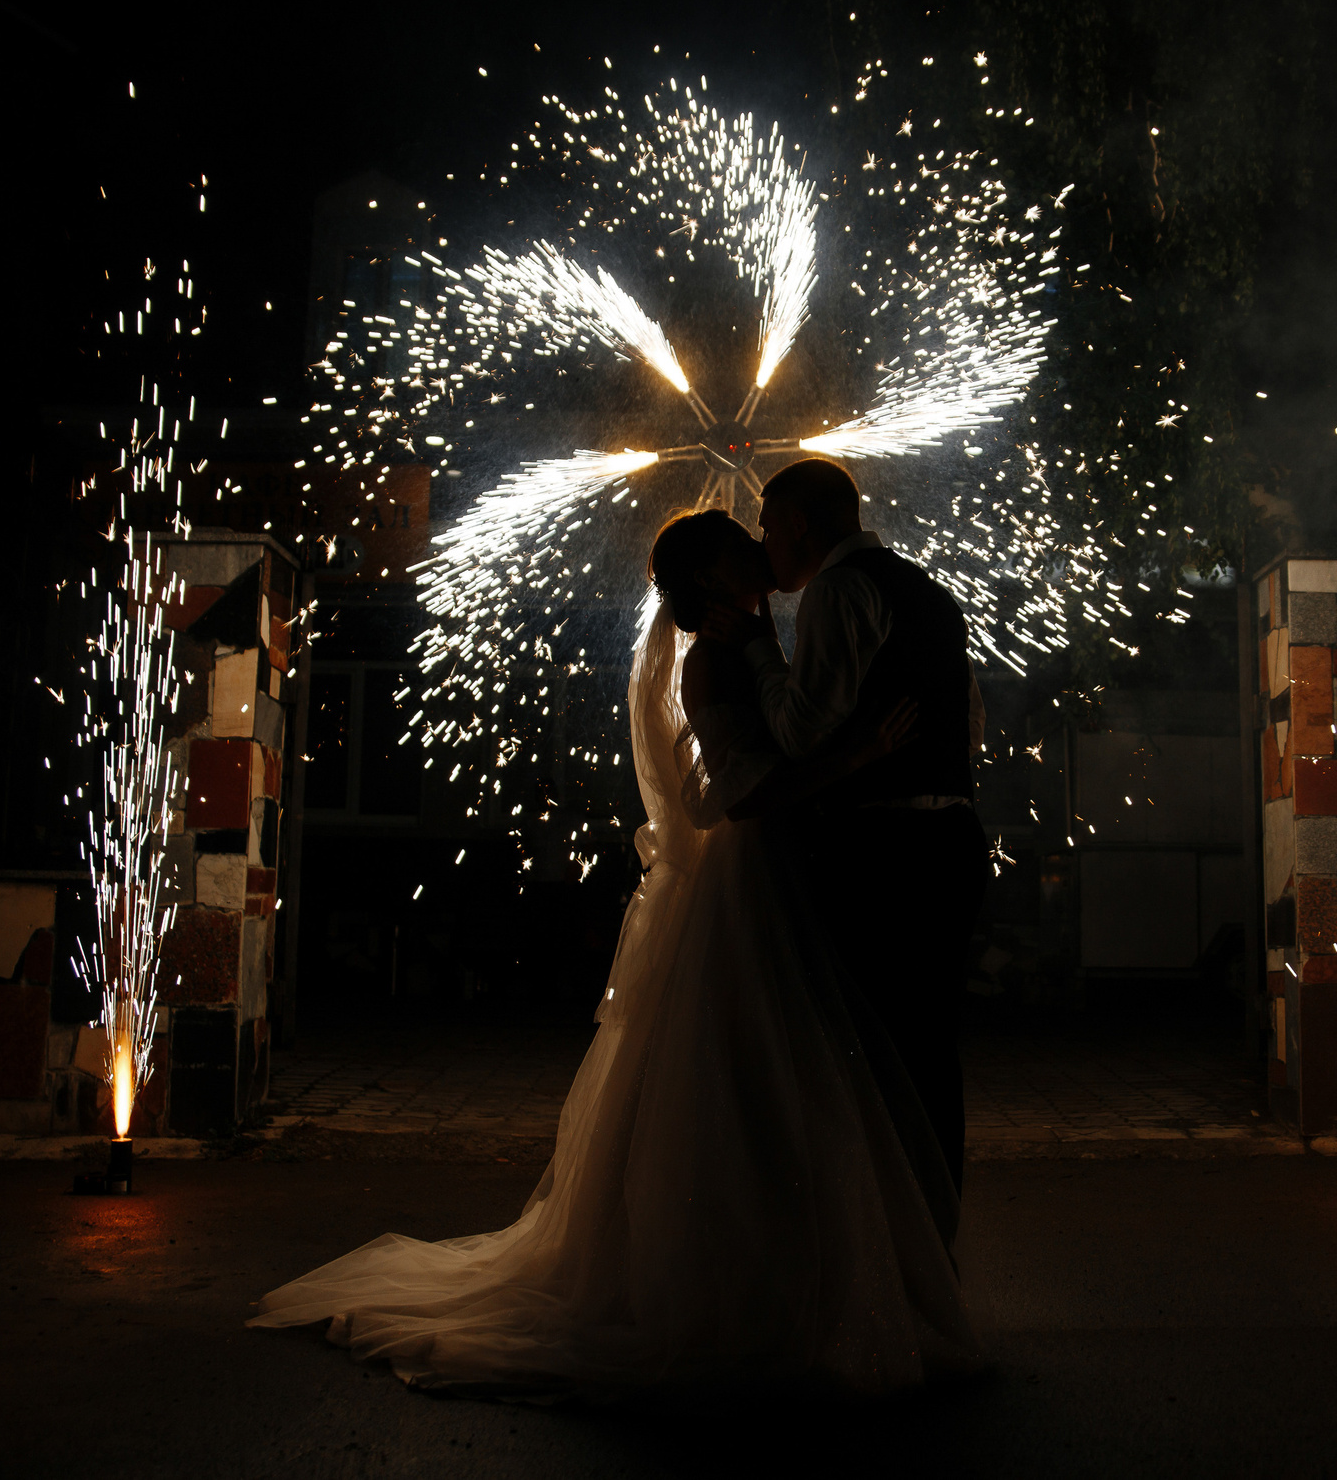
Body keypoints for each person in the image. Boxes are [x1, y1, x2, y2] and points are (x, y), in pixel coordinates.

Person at [250, 510, 979, 1401]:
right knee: (755, 1077)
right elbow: (739, 799)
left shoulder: (745, 642)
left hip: (777, 882)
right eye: (737, 544)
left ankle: (801, 1272)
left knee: (786, 1077)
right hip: (746, 887)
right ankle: (751, 1285)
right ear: (714, 579)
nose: (759, 542)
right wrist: (860, 753)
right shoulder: (712, 659)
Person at [703, 458, 990, 1215]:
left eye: (768, 524)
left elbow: (799, 733)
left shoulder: (838, 588)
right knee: (931, 1046)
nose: (763, 542)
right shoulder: (929, 594)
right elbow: (972, 725)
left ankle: (888, 1235)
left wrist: (765, 646)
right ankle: (936, 1228)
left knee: (873, 1049)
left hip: (886, 851)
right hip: (955, 837)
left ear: (799, 521)